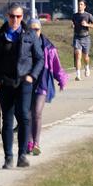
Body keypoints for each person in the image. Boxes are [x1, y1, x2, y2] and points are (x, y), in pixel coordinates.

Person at [0, 3, 43, 169]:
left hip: (24, 82)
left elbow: (40, 58)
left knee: (24, 116)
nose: (15, 19)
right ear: (6, 16)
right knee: (7, 121)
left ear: (22, 17)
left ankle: (22, 155)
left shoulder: (30, 35)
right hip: (5, 83)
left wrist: (32, 76)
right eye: (11, 16)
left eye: (18, 16)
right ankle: (8, 157)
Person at [26, 19, 68, 157]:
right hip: (25, 84)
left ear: (41, 30)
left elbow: (56, 66)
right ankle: (29, 142)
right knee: (27, 114)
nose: (34, 32)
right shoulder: (22, 45)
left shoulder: (48, 47)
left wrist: (61, 79)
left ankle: (36, 143)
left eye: (37, 29)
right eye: (31, 29)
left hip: (42, 84)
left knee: (37, 112)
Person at [69, 0, 93, 81]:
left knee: (86, 57)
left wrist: (87, 24)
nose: (79, 6)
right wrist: (72, 26)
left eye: (81, 4)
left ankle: (87, 67)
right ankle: (78, 75)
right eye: (79, 4)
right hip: (77, 37)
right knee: (78, 55)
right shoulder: (74, 15)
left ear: (84, 6)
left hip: (86, 37)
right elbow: (73, 23)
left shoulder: (88, 15)